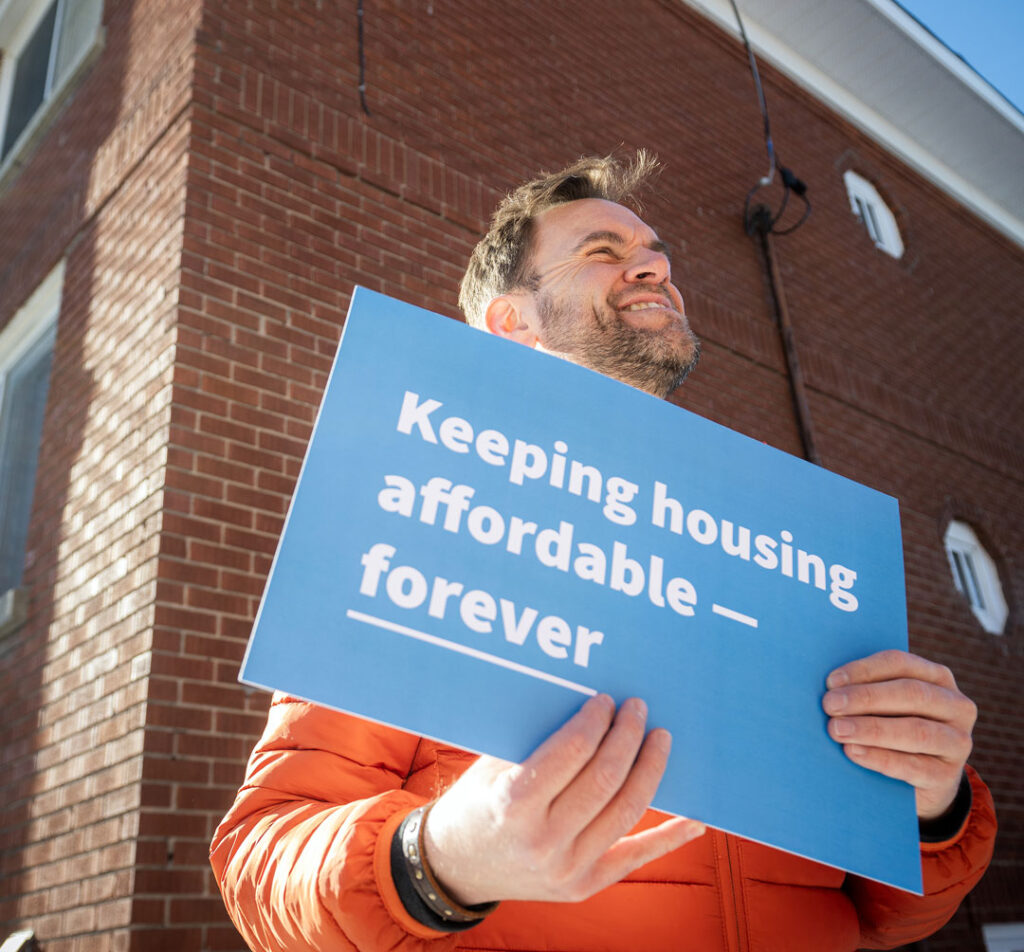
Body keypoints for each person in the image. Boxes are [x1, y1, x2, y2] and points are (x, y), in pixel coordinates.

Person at [211, 154, 995, 951]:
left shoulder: (781, 553)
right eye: (601, 252)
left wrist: (935, 808)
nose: (654, 264)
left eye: (653, 251)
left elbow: (885, 915)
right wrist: (439, 860)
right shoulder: (418, 519)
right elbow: (261, 859)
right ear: (512, 324)